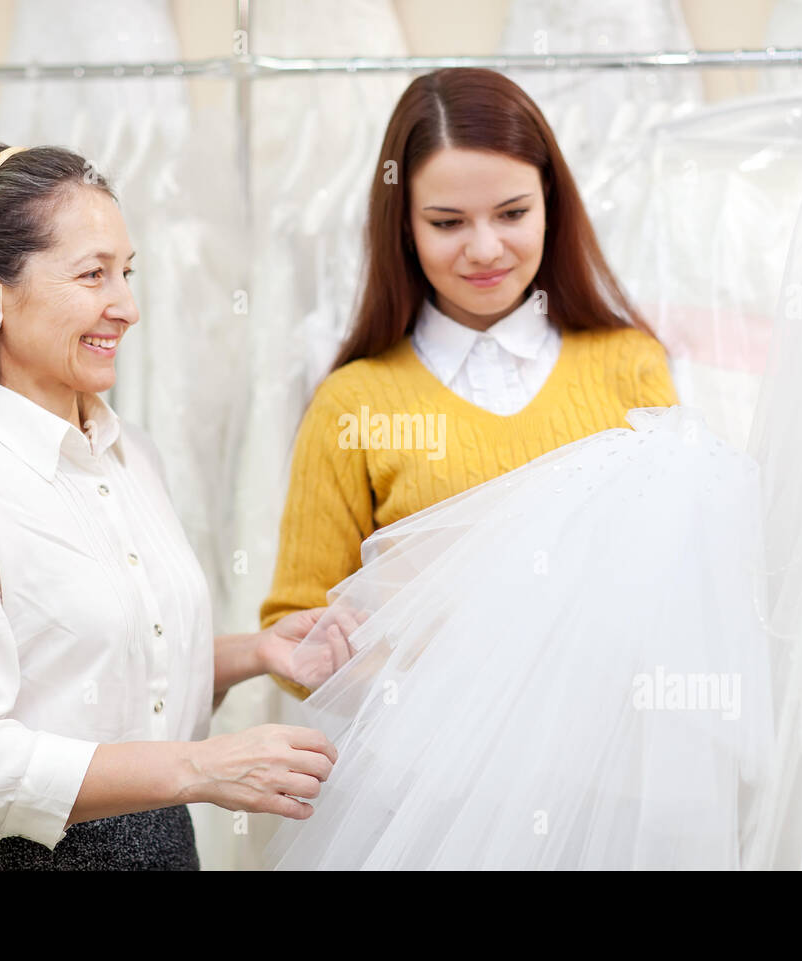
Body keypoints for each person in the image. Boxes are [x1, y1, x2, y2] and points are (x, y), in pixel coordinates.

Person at [0, 143, 337, 870]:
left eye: (127, 272)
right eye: (93, 275)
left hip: (164, 848)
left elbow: (99, 669)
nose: (129, 306)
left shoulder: (130, 453)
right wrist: (200, 768)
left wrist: (256, 652)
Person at [259, 68, 679, 699]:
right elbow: (296, 631)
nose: (485, 249)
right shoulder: (353, 401)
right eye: (448, 222)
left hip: (610, 760)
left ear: (551, 207)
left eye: (512, 213)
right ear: (403, 224)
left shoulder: (632, 365)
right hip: (423, 775)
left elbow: (679, 581)